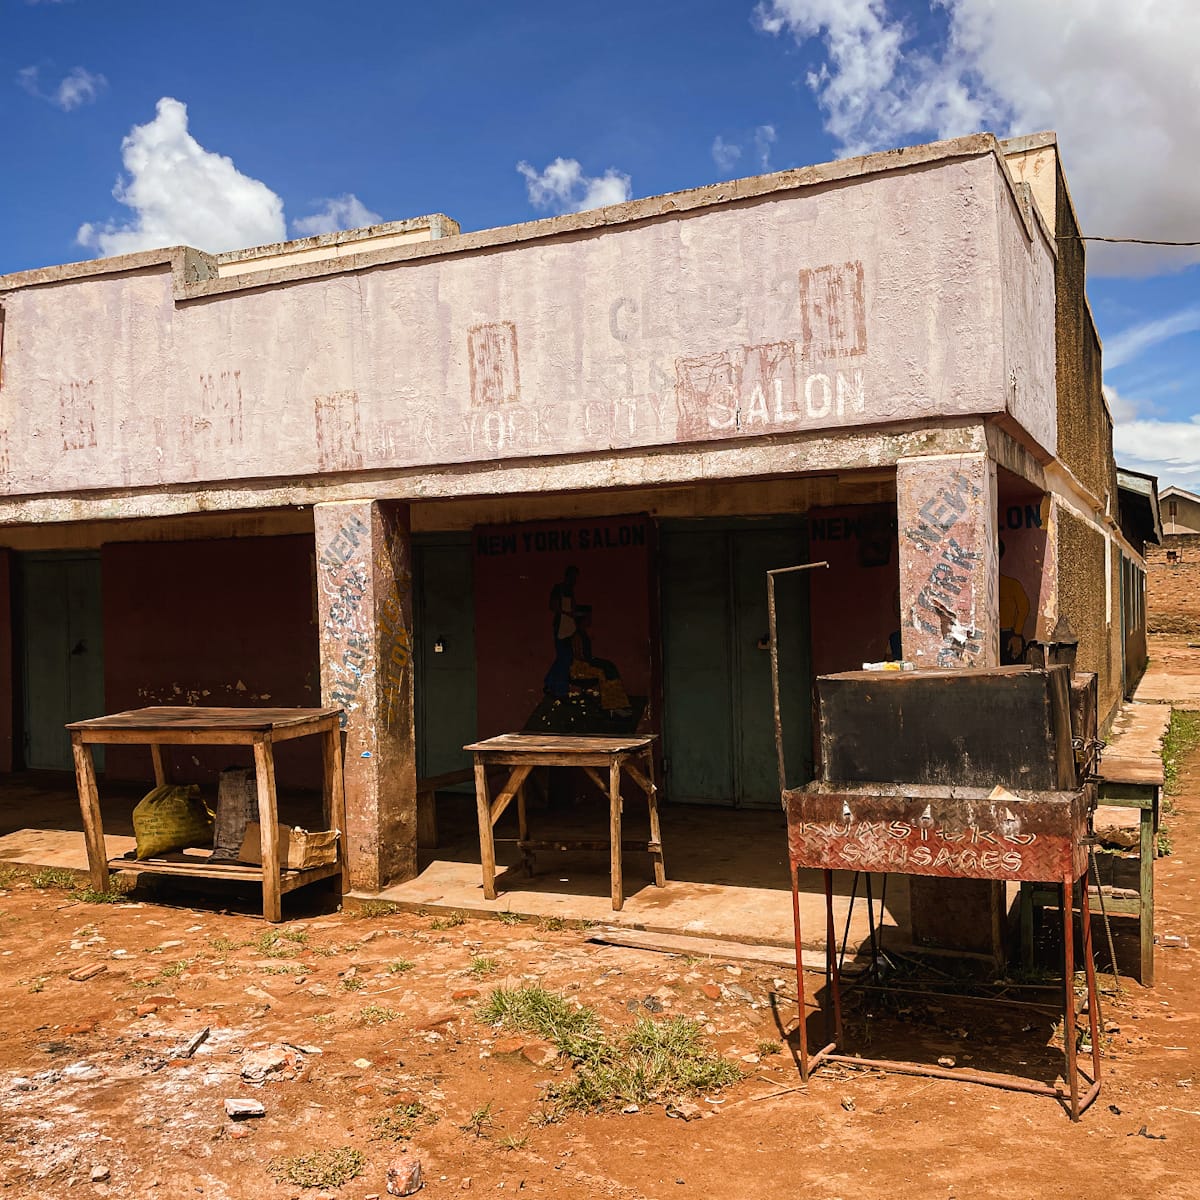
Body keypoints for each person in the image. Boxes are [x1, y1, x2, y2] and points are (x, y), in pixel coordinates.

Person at [569, 608, 631, 714]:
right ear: (582, 620)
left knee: (610, 667)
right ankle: (610, 706)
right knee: (603, 671)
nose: (590, 621)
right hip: (579, 667)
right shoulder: (577, 635)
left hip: (586, 663)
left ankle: (618, 704)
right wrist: (593, 661)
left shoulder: (583, 633)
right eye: (588, 618)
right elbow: (579, 656)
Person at [542, 565, 579, 698]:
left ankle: (550, 683)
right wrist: (567, 613)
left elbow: (573, 608)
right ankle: (560, 690)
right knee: (565, 658)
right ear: (568, 576)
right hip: (561, 627)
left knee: (565, 657)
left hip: (569, 627)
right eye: (573, 577)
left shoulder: (570, 590)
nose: (575, 580)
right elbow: (553, 606)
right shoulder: (559, 589)